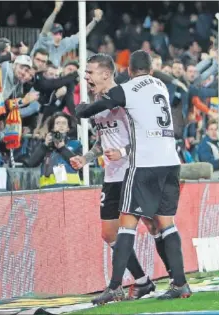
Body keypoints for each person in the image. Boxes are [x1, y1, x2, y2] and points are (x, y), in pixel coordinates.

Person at [77, 50, 191, 303]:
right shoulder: (160, 84)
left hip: (145, 164)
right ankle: (180, 283)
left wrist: (82, 110)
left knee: (127, 225)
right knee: (166, 223)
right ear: (150, 69)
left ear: (127, 71)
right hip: (170, 162)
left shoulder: (127, 89)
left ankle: (116, 286)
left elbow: (102, 104)